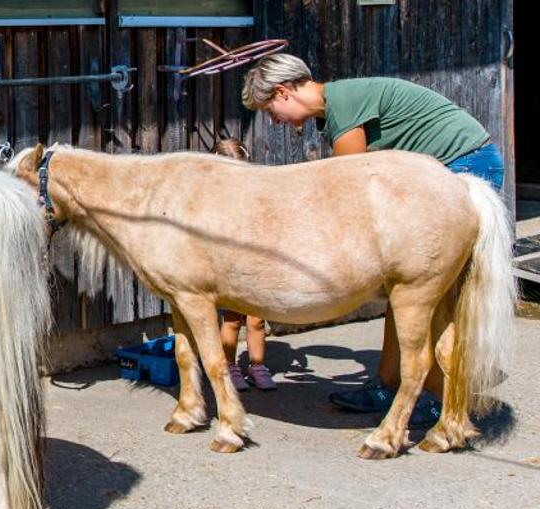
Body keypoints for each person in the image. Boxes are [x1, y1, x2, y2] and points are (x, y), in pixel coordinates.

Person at [240, 52, 504, 417]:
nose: (276, 121)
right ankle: (388, 384)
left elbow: (347, 184)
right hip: (456, 164)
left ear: (284, 92)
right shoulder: (339, 108)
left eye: (271, 111)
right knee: (406, 290)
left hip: (465, 165)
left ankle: (438, 396)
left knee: (437, 298)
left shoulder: (343, 106)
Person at [211, 137, 275, 391]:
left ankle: (258, 366)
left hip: (255, 265)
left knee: (257, 320)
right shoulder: (214, 201)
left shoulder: (254, 195)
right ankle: (229, 366)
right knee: (232, 320)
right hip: (229, 269)